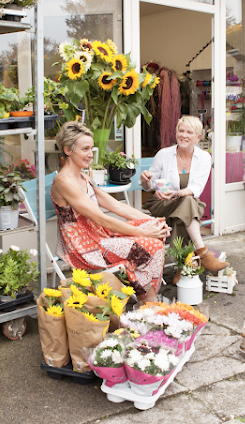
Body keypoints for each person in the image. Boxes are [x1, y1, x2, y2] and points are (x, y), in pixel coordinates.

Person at [51, 121, 170, 303]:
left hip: (101, 235)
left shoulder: (83, 177)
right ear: (68, 150)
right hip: (86, 247)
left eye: (91, 148)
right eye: (85, 149)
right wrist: (145, 233)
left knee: (155, 229)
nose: (90, 154)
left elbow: (117, 206)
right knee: (152, 245)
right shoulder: (64, 182)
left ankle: (144, 290)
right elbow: (101, 218)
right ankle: (148, 300)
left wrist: (155, 221)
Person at [141, 115, 227, 277]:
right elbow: (149, 186)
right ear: (176, 133)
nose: (184, 135)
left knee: (186, 204)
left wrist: (177, 193)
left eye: (189, 132)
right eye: (181, 131)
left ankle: (183, 263)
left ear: (198, 137)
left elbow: (196, 188)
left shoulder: (204, 157)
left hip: (187, 203)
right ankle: (202, 253)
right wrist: (145, 180)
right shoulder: (163, 154)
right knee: (188, 207)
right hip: (162, 203)